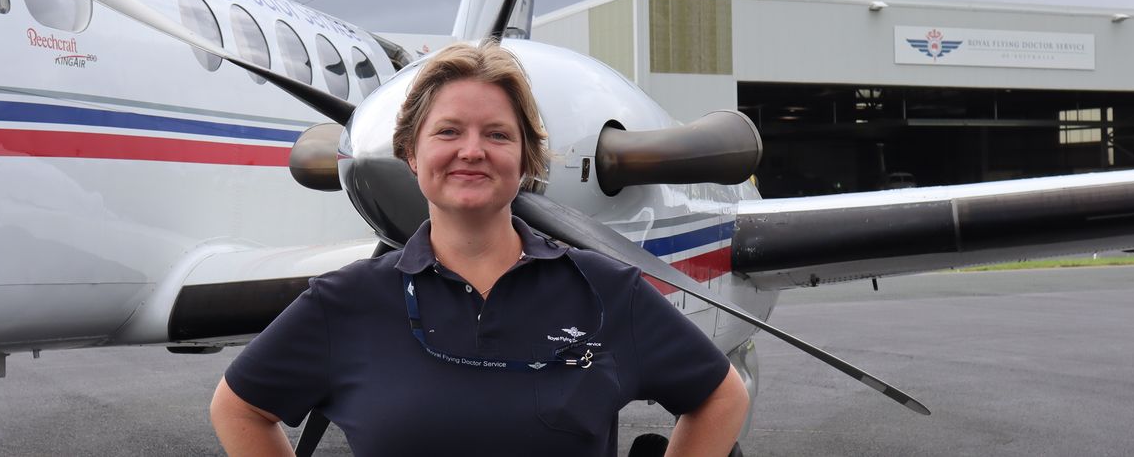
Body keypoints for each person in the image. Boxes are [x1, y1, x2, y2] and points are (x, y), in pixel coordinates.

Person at [210, 41, 748, 456]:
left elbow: (720, 396)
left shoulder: (607, 289)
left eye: (497, 134)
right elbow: (238, 408)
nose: (472, 151)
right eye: (447, 132)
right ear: (411, 155)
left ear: (527, 160)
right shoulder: (344, 302)